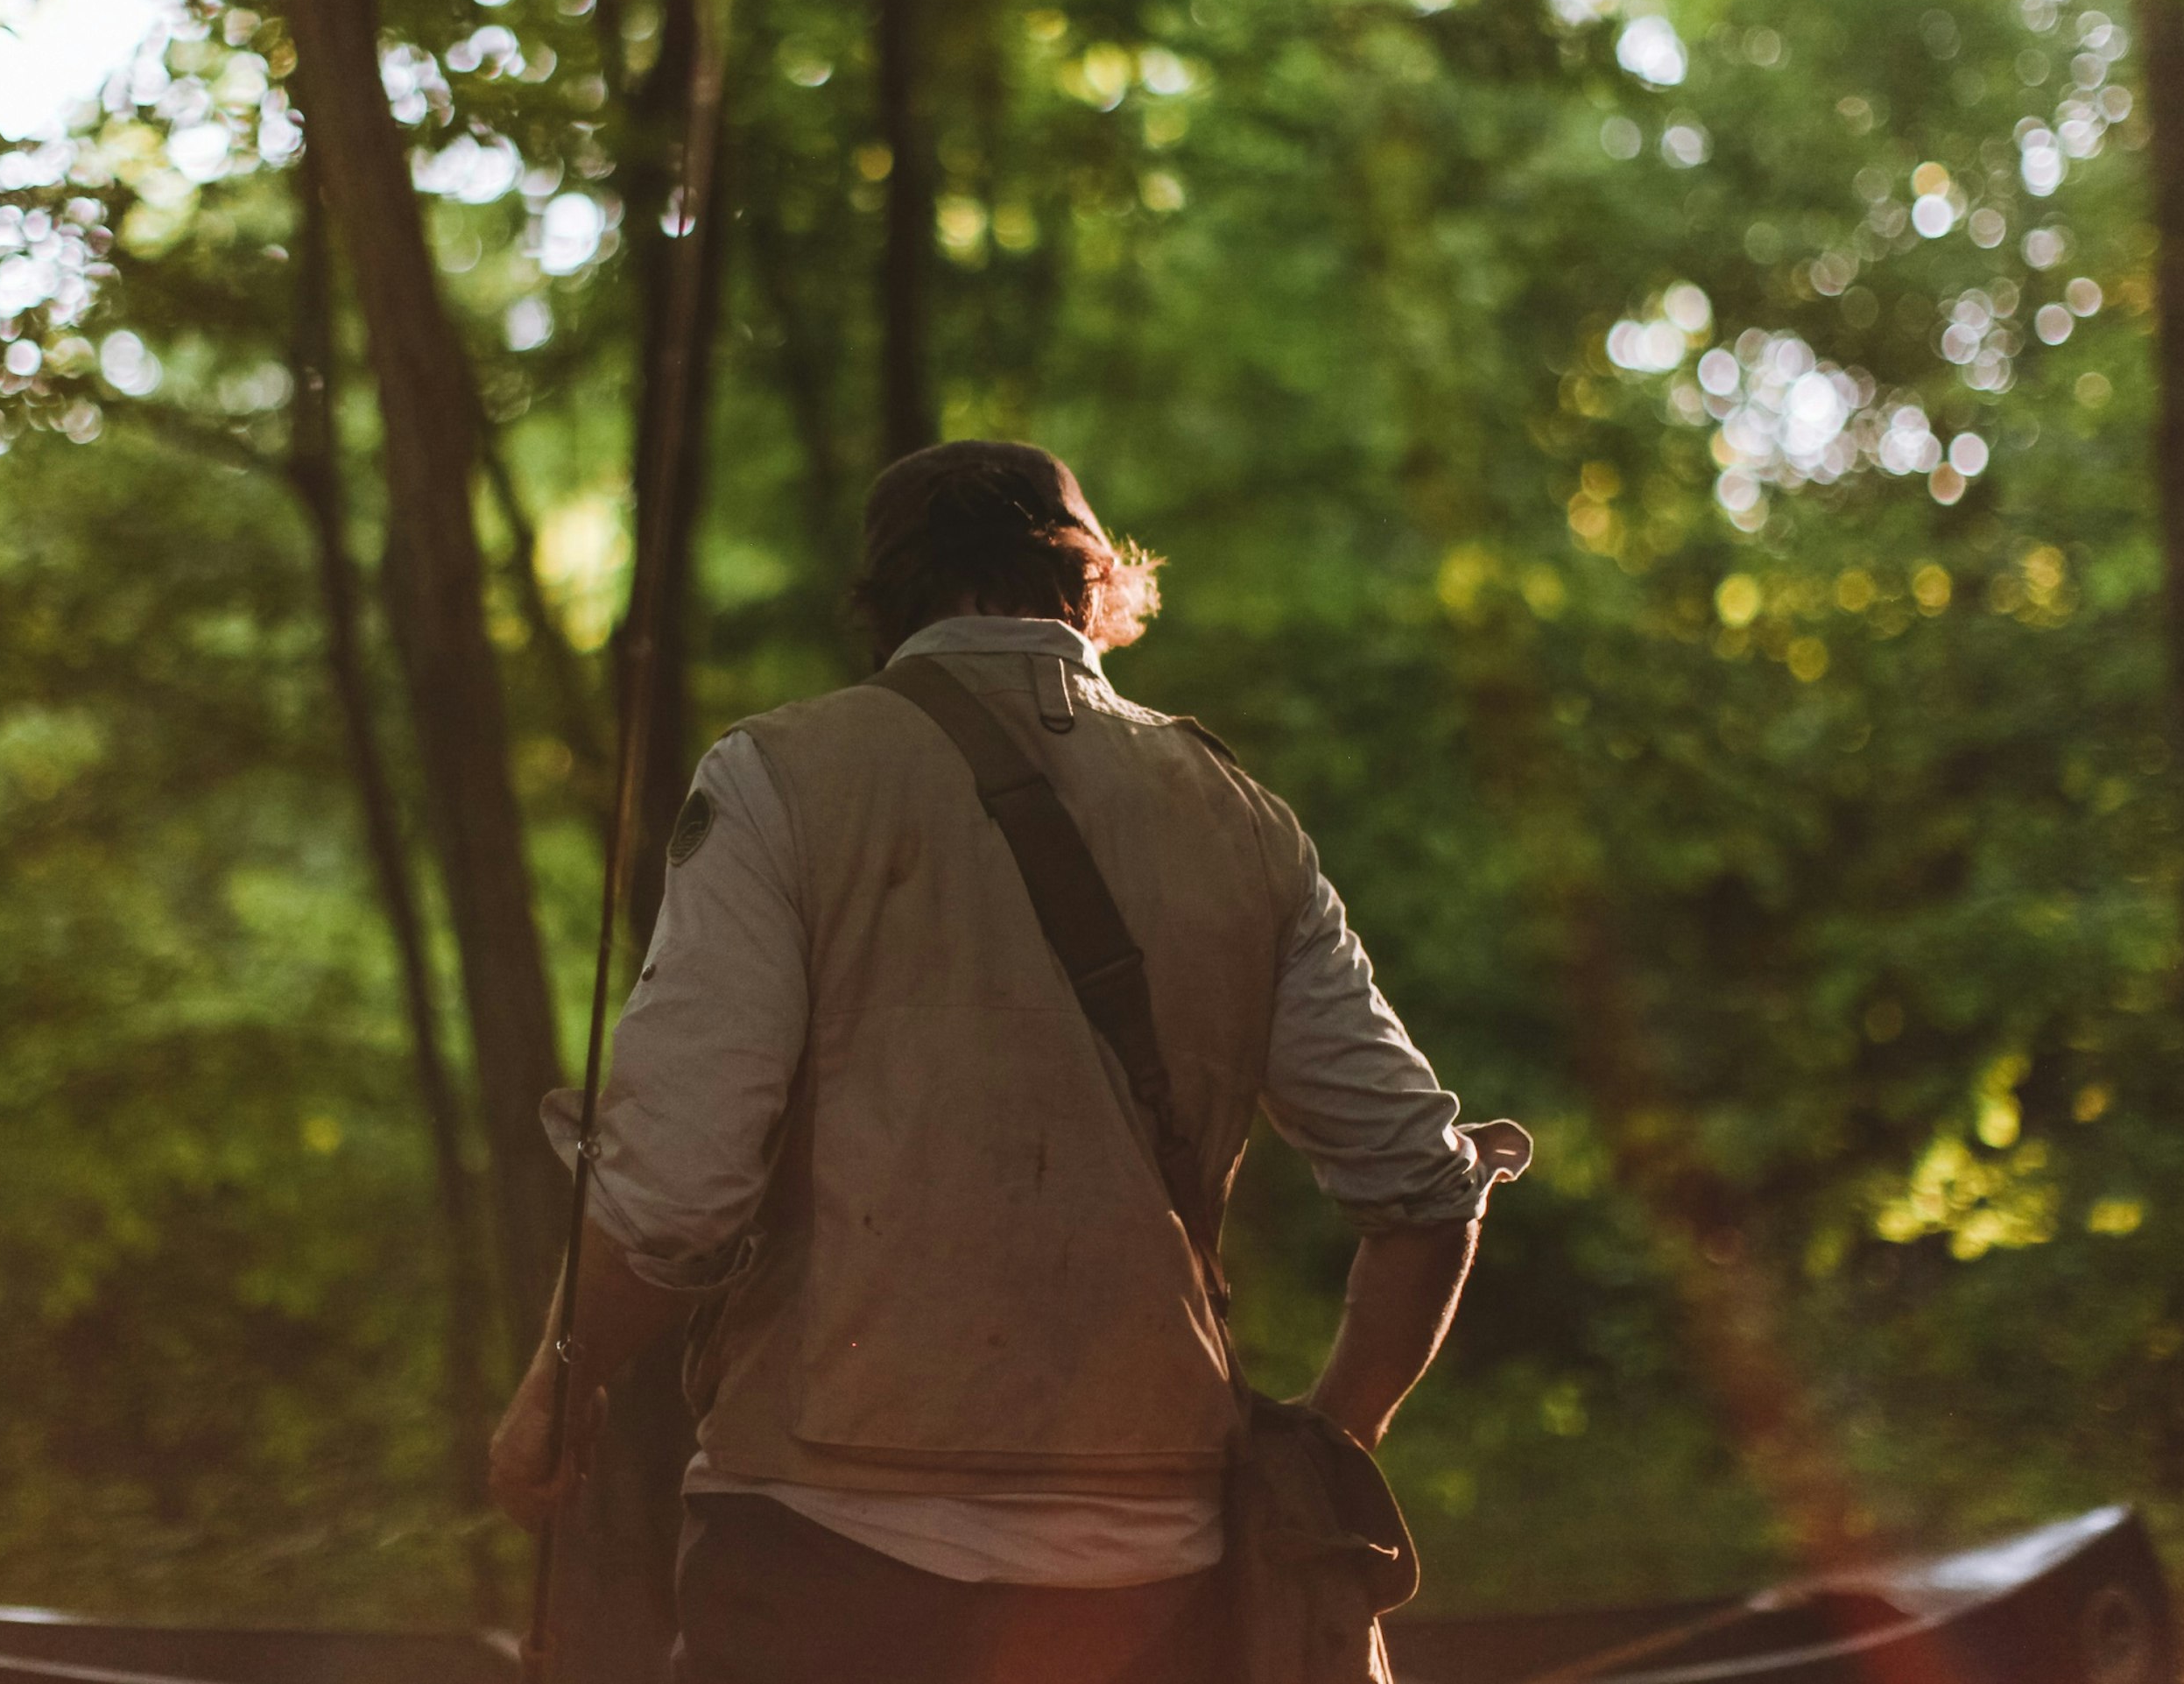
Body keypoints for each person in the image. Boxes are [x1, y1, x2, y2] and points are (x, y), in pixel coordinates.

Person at [491, 440, 1528, 1683]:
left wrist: (562, 1375)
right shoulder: (1241, 819)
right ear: (1096, 585)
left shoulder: (781, 777)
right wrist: (1323, 1441)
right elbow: (1422, 1186)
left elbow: (676, 1186)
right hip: (1159, 1584)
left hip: (824, 1561)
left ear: (885, 601)